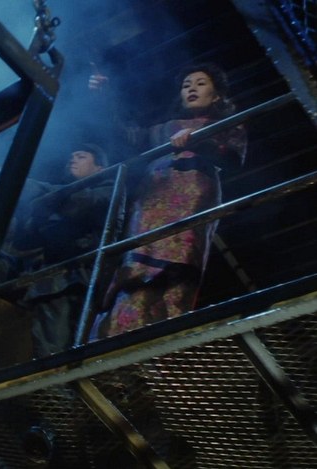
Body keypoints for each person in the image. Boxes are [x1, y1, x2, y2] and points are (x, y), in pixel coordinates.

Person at [98, 63, 247, 337]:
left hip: (193, 196)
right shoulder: (164, 128)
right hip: (153, 197)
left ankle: (163, 338)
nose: (191, 88)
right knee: (136, 265)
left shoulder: (226, 124)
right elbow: (129, 136)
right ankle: (118, 333)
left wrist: (197, 140)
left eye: (200, 83)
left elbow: (234, 158)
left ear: (216, 95)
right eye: (186, 85)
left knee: (179, 264)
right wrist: (107, 98)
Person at [0, 144, 114, 358]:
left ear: (99, 168)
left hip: (73, 275)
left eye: (81, 156)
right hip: (42, 272)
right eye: (72, 156)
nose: (73, 159)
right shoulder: (58, 197)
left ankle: (54, 374)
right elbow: (27, 240)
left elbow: (78, 203)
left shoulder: (109, 188)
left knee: (53, 341)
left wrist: (34, 189)